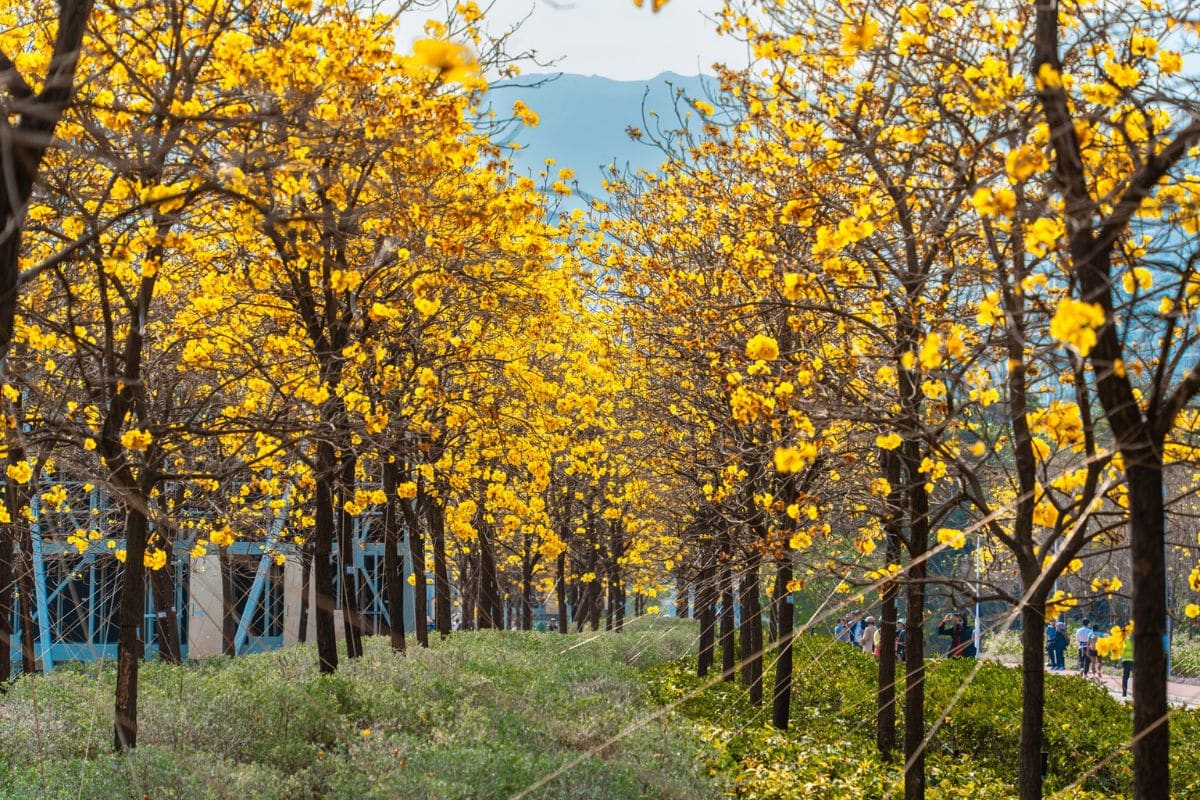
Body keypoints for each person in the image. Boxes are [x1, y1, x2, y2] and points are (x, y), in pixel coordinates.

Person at [1121, 630, 1134, 697]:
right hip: (1134, 661)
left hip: (1126, 661)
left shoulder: (1125, 641)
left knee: (1125, 677)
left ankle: (1124, 692)